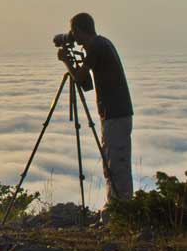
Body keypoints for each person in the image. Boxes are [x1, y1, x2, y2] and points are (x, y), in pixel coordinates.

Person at [57, 12, 134, 204]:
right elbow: (88, 83)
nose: (73, 37)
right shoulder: (102, 44)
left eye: (74, 33)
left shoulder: (97, 47)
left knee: (115, 164)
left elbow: (81, 78)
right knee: (113, 162)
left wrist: (66, 60)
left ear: (78, 30)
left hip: (115, 115)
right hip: (116, 113)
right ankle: (117, 208)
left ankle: (120, 210)